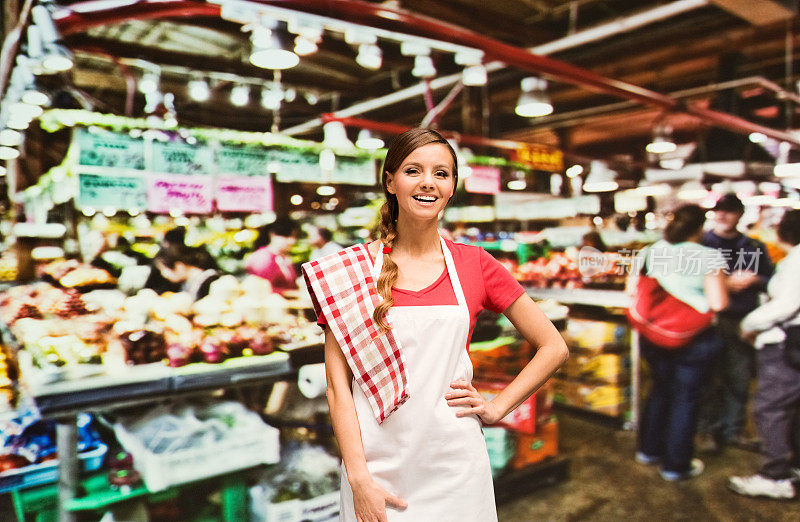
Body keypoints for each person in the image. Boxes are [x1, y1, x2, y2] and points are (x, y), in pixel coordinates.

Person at [303, 129, 568, 522]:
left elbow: (554, 346)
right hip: (376, 470)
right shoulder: (348, 273)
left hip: (456, 466)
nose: (428, 182)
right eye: (414, 170)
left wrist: (498, 409)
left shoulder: (476, 264)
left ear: (451, 187)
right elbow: (338, 389)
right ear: (390, 181)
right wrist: (358, 479)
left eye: (441, 173)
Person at [629, 204, 729, 481]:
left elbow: (632, 290)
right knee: (685, 398)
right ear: (700, 228)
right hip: (693, 339)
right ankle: (676, 465)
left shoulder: (650, 251)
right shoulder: (709, 256)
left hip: (654, 335)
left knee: (660, 389)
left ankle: (648, 450)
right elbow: (718, 302)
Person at [729, 209, 800, 499]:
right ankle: (792, 466)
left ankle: (774, 476)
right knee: (792, 408)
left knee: (771, 408)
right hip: (791, 343)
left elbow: (787, 305)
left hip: (784, 343)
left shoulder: (795, 262)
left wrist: (749, 325)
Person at [697, 193, 773, 452]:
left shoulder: (754, 246)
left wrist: (754, 280)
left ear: (740, 214)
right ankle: (706, 431)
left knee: (739, 379)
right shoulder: (701, 243)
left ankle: (734, 430)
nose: (722, 215)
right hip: (709, 320)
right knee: (709, 378)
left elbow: (770, 278)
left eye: (729, 211)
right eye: (718, 210)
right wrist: (723, 284)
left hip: (742, 320)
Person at [245, 216, 300, 293]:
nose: (292, 241)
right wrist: (293, 293)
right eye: (287, 236)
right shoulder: (263, 258)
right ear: (272, 234)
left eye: (295, 236)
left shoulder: (283, 257)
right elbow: (260, 289)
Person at [148, 243, 220, 300]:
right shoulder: (187, 283)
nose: (163, 274)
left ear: (179, 266)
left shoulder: (210, 282)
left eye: (164, 269)